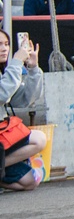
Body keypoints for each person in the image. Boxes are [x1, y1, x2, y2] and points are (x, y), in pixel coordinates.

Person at [0, 33, 47, 192]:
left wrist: (33, 68)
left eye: (6, 44)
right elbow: (2, 94)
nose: (4, 48)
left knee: (29, 181)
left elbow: (25, 100)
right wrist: (16, 62)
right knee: (38, 139)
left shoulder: (3, 71)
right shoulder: (11, 68)